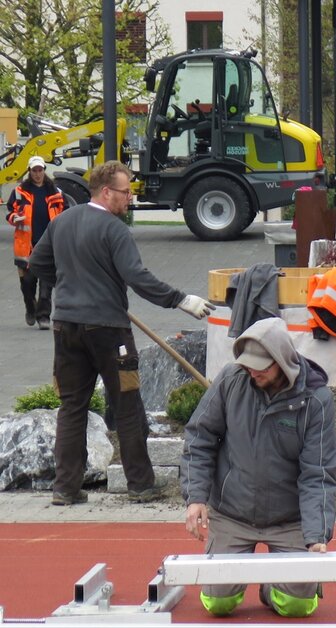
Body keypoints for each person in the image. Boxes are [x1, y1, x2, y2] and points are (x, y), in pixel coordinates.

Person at [28, 160, 215, 506]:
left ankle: (65, 489)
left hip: (65, 327)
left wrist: (69, 286)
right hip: (109, 332)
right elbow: (137, 277)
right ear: (105, 191)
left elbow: (37, 265)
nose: (130, 198)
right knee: (127, 404)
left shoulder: (62, 223)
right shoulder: (115, 231)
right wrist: (180, 299)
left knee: (72, 407)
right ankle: (141, 485)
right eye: (126, 192)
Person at [181, 316, 336, 618]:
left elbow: (318, 473)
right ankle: (234, 579)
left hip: (289, 518)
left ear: (281, 361)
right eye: (247, 364)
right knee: (218, 603)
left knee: (297, 606)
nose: (252, 371)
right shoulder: (230, 381)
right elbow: (199, 438)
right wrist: (196, 497)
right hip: (233, 512)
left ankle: (271, 586)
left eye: (261, 366)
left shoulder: (316, 401)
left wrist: (316, 536)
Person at [5, 155, 65, 330]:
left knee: (46, 284)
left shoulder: (56, 192)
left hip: (49, 245)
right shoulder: (19, 192)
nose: (37, 174)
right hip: (26, 245)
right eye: (34, 170)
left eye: (40, 170)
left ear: (44, 171)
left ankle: (44, 316)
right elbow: (10, 211)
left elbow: (66, 212)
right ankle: (30, 308)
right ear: (29, 172)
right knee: (28, 284)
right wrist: (14, 217)